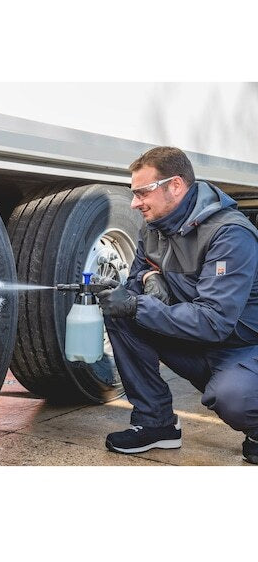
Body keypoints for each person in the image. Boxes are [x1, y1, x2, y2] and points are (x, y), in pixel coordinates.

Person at [95, 146, 258, 464]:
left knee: (233, 397)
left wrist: (141, 302)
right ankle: (157, 423)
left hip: (243, 347)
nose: (134, 203)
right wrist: (135, 292)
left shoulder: (229, 235)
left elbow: (215, 321)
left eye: (142, 192)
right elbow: (134, 287)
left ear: (176, 186)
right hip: (196, 340)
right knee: (120, 313)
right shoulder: (153, 230)